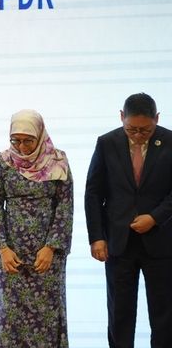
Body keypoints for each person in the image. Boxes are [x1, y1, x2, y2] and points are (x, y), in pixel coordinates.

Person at [85, 93, 172, 348]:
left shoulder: (170, 141)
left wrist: (155, 217)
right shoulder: (106, 142)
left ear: (157, 119)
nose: (137, 135)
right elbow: (93, 193)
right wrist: (97, 237)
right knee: (119, 313)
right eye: (131, 129)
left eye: (145, 130)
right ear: (121, 117)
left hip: (161, 242)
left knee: (164, 313)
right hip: (118, 243)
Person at [0, 109, 73, 347]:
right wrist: (2, 248)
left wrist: (51, 247)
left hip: (46, 254)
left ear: (40, 135)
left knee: (46, 313)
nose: (22, 147)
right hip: (11, 253)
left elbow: (65, 205)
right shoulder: (3, 161)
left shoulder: (58, 161)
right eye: (16, 140)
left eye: (28, 141)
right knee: (10, 314)